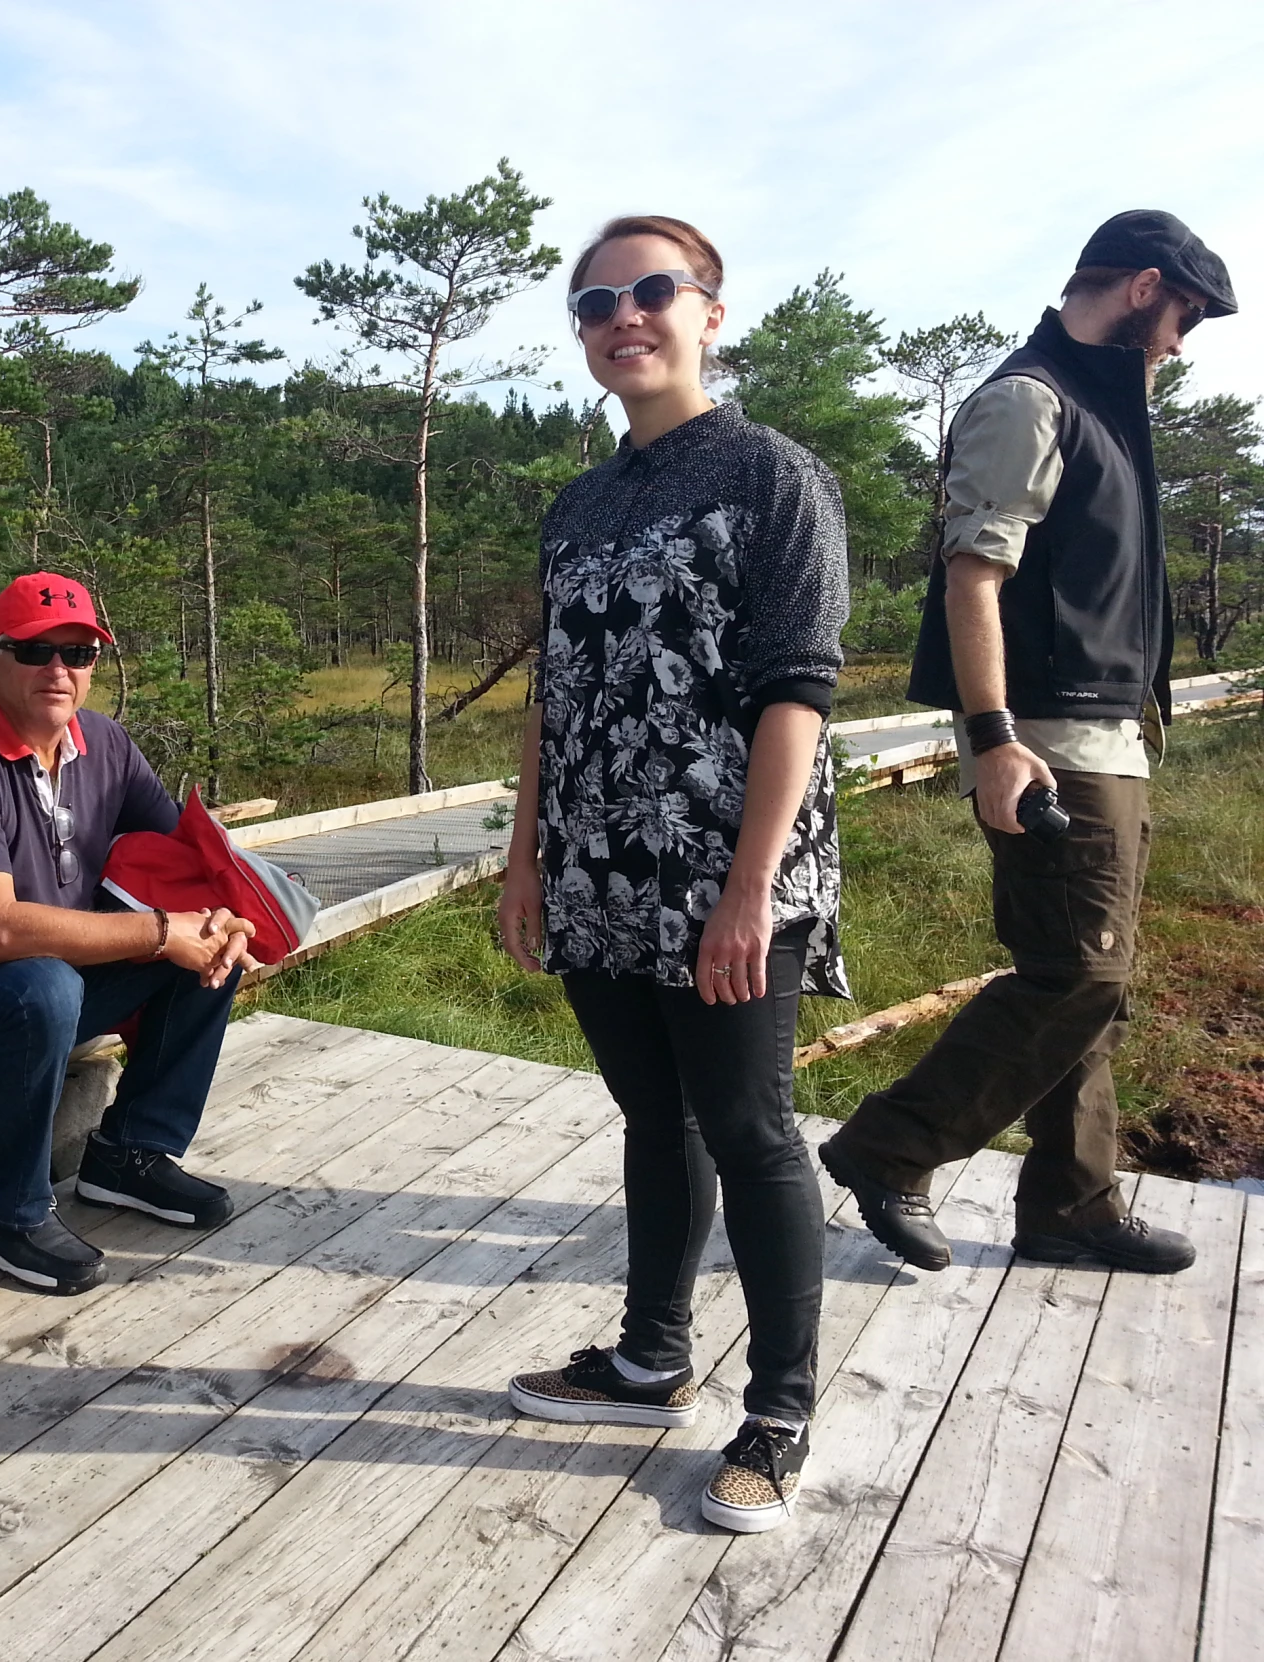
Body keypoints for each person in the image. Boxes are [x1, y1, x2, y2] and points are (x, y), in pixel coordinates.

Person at [495, 216, 850, 1534]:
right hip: (597, 870)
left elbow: (795, 697)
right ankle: (650, 1356)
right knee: (656, 1118)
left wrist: (750, 890)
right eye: (595, 300)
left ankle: (782, 1407)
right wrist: (525, 856)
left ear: (709, 310)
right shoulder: (578, 506)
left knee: (750, 1125)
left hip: (724, 873)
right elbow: (554, 699)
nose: (621, 315)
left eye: (651, 290)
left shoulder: (772, 476)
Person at [820, 213, 1236, 1278]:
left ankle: (1071, 1205)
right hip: (1047, 738)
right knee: (1076, 973)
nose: (1178, 345)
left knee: (1094, 984)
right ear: (1143, 287)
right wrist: (993, 738)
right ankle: (890, 1146)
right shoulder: (1027, 399)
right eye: (1182, 316)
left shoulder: (1104, 408)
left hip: (1108, 738)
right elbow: (971, 579)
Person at [0, 571, 256, 1296]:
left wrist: (221, 918)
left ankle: (130, 1155)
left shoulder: (103, 743)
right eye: (36, 652)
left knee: (205, 947)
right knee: (43, 980)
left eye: (79, 652)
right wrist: (162, 928)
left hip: (45, 993)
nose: (60, 670)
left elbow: (181, 861)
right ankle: (2, 1211)